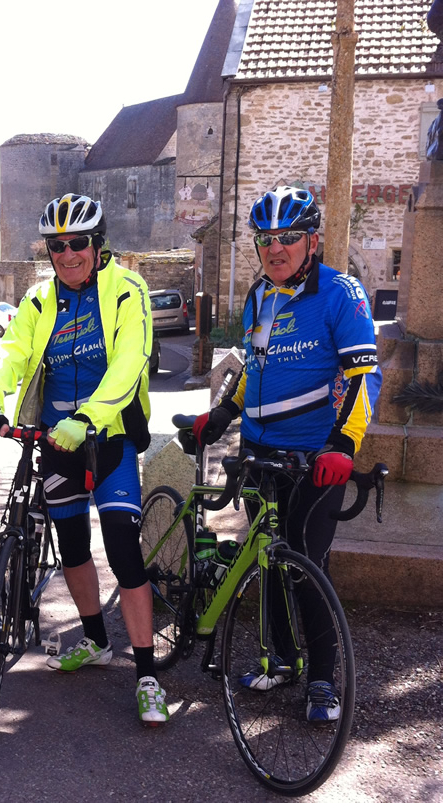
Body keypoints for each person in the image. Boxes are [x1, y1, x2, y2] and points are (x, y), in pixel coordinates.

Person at [0, 193, 169, 726]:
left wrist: (91, 416)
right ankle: (97, 641)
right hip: (54, 442)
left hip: (110, 438)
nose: (68, 254)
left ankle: (147, 676)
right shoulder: (39, 300)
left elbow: (132, 360)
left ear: (97, 245)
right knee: (73, 546)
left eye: (78, 243)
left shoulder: (128, 289)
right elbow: (12, 352)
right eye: (57, 246)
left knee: (124, 552)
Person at [192, 185, 382, 721]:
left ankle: (323, 679)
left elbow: (365, 375)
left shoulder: (340, 295)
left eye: (289, 238)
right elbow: (255, 367)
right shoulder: (259, 297)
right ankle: (280, 659)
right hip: (259, 451)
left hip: (314, 458)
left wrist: (344, 444)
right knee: (265, 557)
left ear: (312, 241)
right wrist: (225, 414)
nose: (276, 249)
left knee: (305, 564)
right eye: (266, 239)